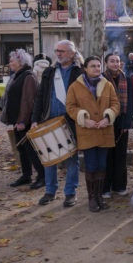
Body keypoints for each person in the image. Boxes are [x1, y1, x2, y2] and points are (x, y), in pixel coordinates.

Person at [31, 40, 83, 207]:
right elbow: (40, 97)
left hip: (70, 120)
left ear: (72, 53)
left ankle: (70, 193)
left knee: (71, 159)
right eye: (57, 51)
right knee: (49, 157)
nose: (58, 54)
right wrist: (34, 119)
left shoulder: (80, 72)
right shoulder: (49, 72)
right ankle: (50, 191)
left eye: (62, 51)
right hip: (49, 118)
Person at [66, 56, 120, 212]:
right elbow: (70, 107)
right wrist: (83, 118)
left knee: (102, 165)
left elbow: (115, 104)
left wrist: (108, 116)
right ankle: (91, 198)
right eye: (93, 66)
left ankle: (99, 196)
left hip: (104, 130)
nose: (97, 68)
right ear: (85, 68)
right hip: (87, 131)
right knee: (91, 165)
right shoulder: (75, 87)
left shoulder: (107, 85)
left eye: (98, 65)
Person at [0, 49, 45, 189]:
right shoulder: (18, 75)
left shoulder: (28, 76)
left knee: (31, 150)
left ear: (20, 62)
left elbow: (28, 101)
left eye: (12, 61)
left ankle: (42, 176)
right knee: (21, 149)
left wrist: (22, 121)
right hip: (17, 121)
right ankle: (26, 176)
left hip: (25, 122)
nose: (10, 63)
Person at [102, 53, 133, 198]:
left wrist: (127, 122)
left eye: (117, 61)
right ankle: (105, 188)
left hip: (122, 122)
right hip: (105, 121)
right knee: (107, 155)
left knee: (120, 155)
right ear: (106, 63)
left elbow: (130, 102)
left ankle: (119, 186)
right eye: (112, 61)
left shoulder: (126, 79)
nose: (115, 64)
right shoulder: (100, 79)